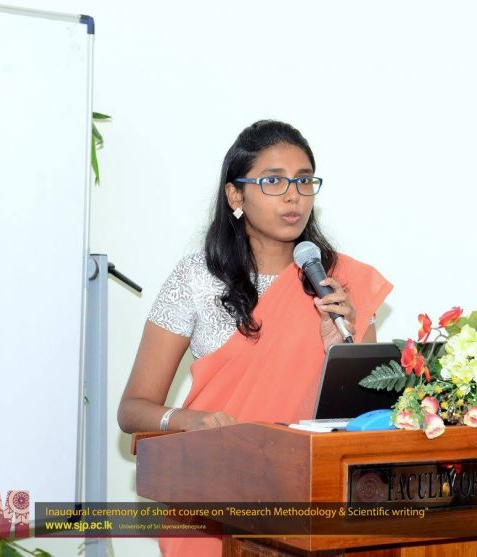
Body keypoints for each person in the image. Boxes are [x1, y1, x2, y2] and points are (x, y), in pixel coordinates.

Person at [117, 120, 392, 556]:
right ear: (235, 195)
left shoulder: (340, 283)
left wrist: (340, 347)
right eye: (273, 181)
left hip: (310, 503)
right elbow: (133, 408)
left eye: (304, 180)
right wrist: (190, 421)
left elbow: (368, 420)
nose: (293, 195)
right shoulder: (196, 279)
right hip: (212, 496)